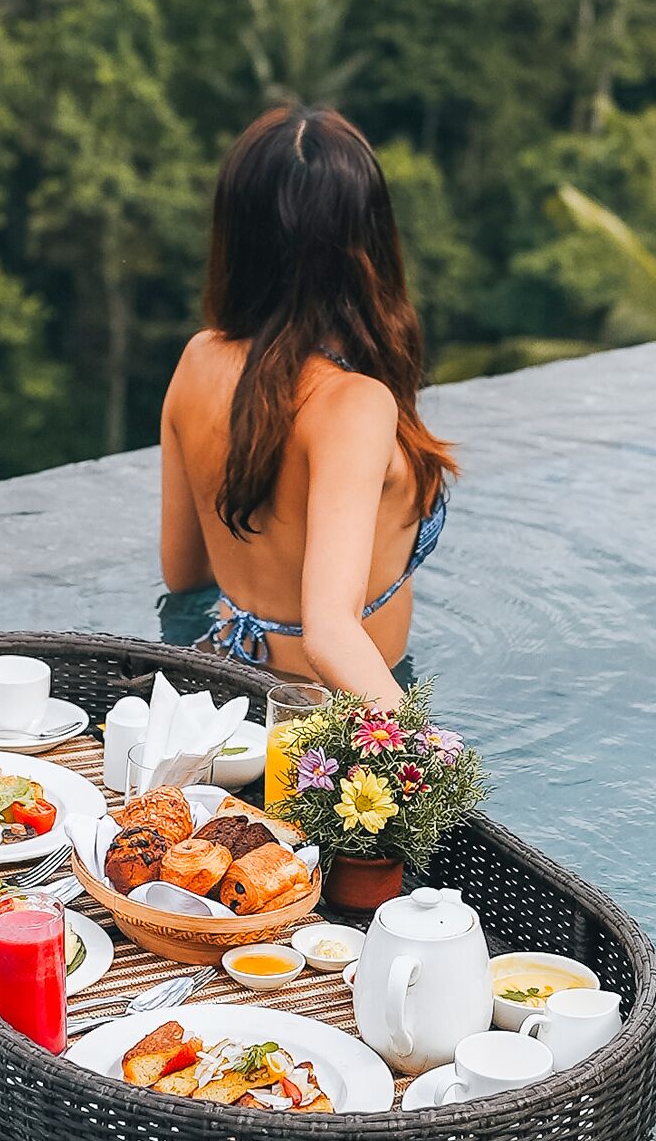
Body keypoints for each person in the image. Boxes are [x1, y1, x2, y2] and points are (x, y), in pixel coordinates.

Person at [157, 106, 454, 714]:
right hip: (326, 719)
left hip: (223, 685)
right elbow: (331, 636)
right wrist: (432, 757)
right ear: (368, 242)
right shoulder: (352, 403)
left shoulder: (198, 358)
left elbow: (183, 575)